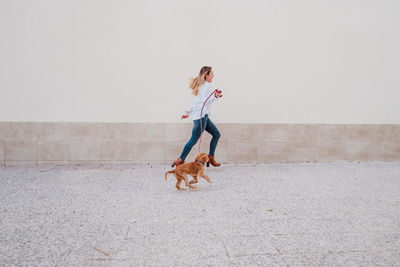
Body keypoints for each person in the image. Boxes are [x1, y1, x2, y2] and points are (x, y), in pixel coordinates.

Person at [171, 66, 222, 168]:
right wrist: (215, 96)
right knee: (193, 140)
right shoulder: (206, 87)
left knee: (216, 134)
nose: (213, 76)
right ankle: (180, 160)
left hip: (203, 117)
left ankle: (211, 157)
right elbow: (205, 101)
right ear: (207, 75)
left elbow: (196, 102)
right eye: (212, 74)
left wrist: (187, 112)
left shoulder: (203, 86)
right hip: (201, 118)